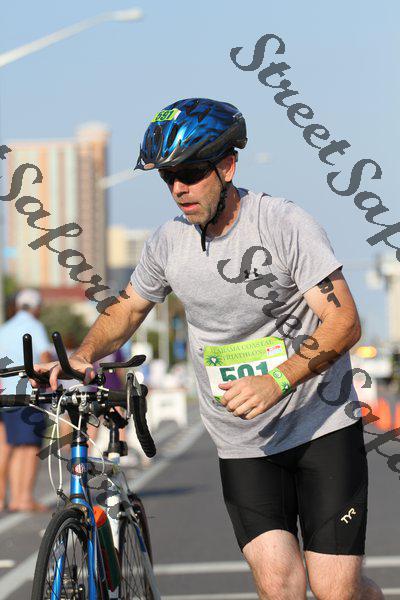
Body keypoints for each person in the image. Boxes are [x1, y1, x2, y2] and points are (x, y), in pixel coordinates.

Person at [32, 98, 383, 599]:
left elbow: (344, 321)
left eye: (192, 173)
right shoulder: (167, 243)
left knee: (336, 591)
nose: (179, 188)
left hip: (320, 426)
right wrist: (84, 354)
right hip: (243, 441)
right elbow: (127, 309)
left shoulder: (284, 224)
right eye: (168, 177)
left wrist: (277, 379)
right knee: (280, 586)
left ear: (228, 166)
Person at [0, 288, 53, 512]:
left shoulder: (4, 328)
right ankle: (23, 498)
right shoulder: (34, 326)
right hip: (26, 393)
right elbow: (45, 357)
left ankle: (5, 497)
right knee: (29, 446)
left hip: (4, 394)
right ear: (36, 308)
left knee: (7, 446)